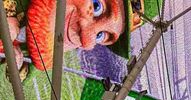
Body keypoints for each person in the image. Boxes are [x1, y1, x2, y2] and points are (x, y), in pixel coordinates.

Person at [0, 0, 161, 80]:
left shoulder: (39, 48)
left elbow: (21, 73)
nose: (87, 41)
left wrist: (18, 62)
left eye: (101, 36)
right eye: (96, 7)